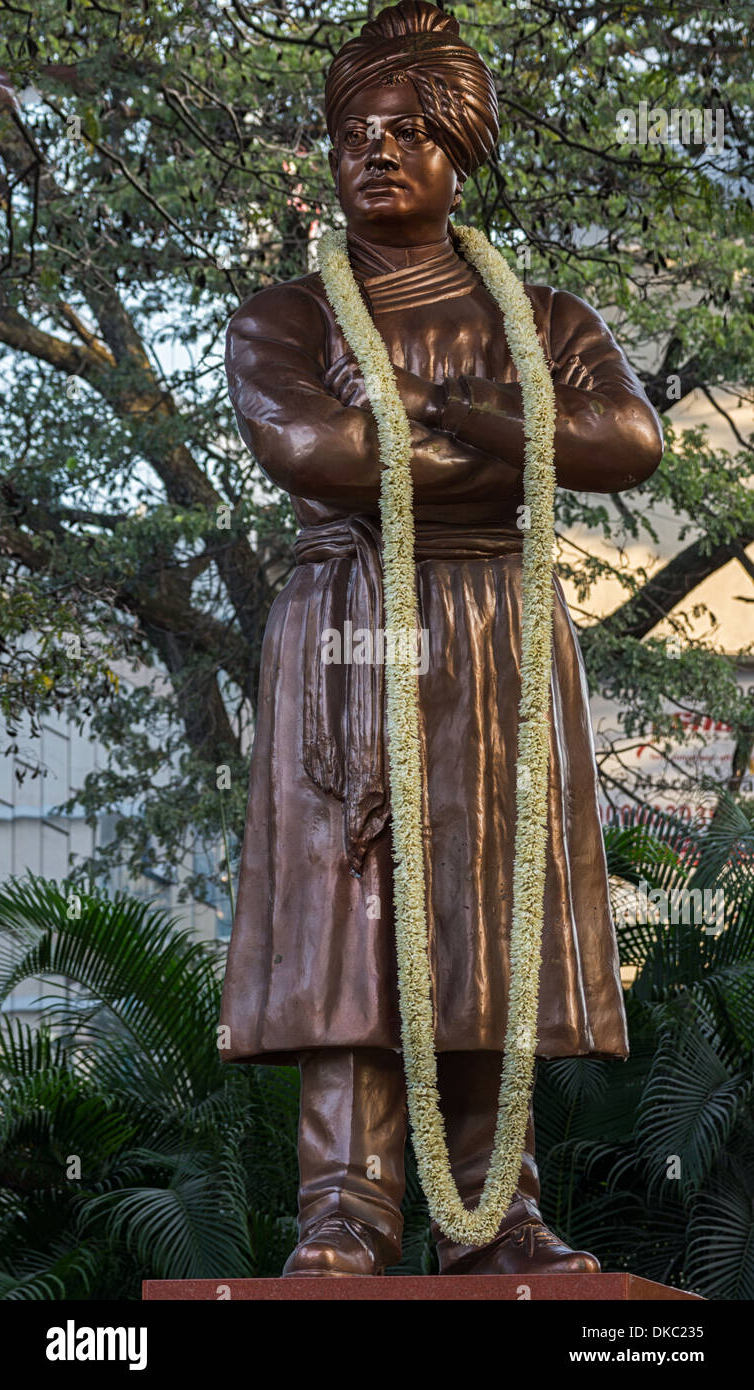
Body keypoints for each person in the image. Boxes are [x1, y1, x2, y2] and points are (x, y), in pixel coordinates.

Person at [219, 0, 663, 1277]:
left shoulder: (542, 313)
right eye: (357, 128)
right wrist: (508, 437)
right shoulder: (284, 317)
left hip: (494, 635)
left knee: (488, 908)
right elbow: (316, 448)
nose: (378, 148)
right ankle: (343, 1214)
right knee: (353, 920)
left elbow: (624, 443)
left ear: (457, 151)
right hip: (349, 631)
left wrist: (452, 412)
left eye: (410, 129)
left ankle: (495, 1211)